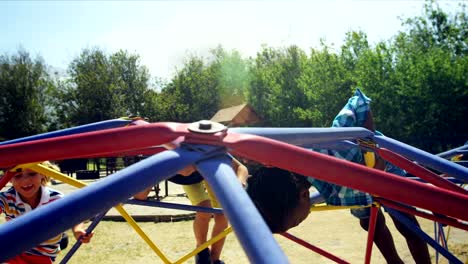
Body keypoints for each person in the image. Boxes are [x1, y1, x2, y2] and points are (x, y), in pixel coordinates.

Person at [247, 89, 430, 264]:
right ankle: (394, 261)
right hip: (358, 188)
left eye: (296, 222)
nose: (299, 223)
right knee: (369, 224)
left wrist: (371, 154)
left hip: (384, 172)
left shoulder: (327, 151)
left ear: (303, 195)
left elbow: (359, 103)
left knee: (405, 222)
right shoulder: (301, 178)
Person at [134, 157, 249, 264]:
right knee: (205, 209)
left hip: (207, 173)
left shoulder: (206, 151)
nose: (186, 172)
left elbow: (241, 168)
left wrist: (239, 184)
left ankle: (215, 259)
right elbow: (140, 197)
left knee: (223, 214)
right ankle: (202, 250)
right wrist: (150, 181)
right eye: (181, 169)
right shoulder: (162, 164)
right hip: (189, 180)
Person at [0, 161, 94, 264]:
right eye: (17, 176)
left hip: (42, 255)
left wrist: (78, 230)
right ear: (9, 179)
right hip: (13, 251)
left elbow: (74, 216)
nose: (25, 180)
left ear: (42, 174)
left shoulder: (56, 199)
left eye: (32, 173)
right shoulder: (7, 198)